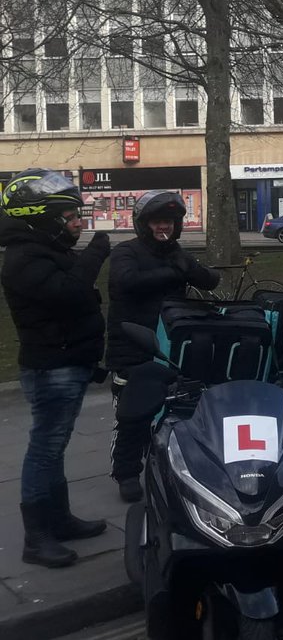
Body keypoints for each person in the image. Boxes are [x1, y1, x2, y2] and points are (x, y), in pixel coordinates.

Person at [0, 169, 111, 568]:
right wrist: (97, 253)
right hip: (53, 366)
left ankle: (60, 520)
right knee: (44, 449)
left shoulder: (43, 249)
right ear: (46, 218)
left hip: (69, 360)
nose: (79, 224)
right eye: (71, 218)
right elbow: (67, 294)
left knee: (55, 446)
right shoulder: (24, 257)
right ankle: (37, 538)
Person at [106, 190, 220, 502]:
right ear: (144, 224)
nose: (163, 227)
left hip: (171, 343)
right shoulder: (126, 252)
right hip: (133, 343)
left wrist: (190, 267)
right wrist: (174, 271)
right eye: (157, 222)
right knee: (133, 414)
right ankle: (127, 472)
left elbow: (210, 280)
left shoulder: (177, 253)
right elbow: (126, 282)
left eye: (168, 221)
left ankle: (179, 464)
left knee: (180, 408)